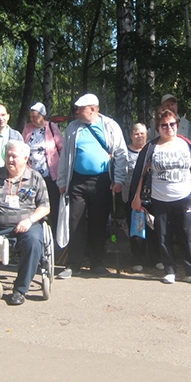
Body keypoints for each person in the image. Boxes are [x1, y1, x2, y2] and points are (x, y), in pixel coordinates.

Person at [131, 109, 191, 285]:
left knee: (187, 235)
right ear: (158, 127)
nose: (168, 128)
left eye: (172, 124)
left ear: (177, 125)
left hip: (184, 198)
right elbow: (141, 174)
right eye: (164, 125)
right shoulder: (152, 147)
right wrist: (137, 197)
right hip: (160, 199)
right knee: (163, 236)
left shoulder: (186, 145)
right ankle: (169, 270)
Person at [56, 93, 128, 278]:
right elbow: (65, 157)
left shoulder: (110, 126)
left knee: (99, 222)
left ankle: (97, 263)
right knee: (75, 222)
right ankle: (73, 264)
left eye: (81, 109)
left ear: (93, 109)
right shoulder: (73, 128)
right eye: (77, 109)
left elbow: (121, 153)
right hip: (77, 180)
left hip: (102, 181)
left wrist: (119, 179)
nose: (77, 112)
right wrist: (62, 181)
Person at [0, 140, 50, 305]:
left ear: (25, 157)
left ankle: (20, 290)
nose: (9, 160)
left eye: (13, 156)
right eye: (7, 155)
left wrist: (29, 221)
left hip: (27, 226)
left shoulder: (35, 178)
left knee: (34, 242)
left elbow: (45, 207)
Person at [122, 123, 159, 272]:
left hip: (151, 195)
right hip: (130, 196)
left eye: (142, 133)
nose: (139, 136)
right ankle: (138, 259)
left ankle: (156, 258)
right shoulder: (124, 152)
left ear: (147, 136)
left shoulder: (152, 151)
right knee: (136, 227)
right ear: (131, 135)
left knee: (154, 227)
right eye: (136, 133)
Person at [22, 102, 63, 231]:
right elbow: (22, 147)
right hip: (32, 175)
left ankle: (57, 234)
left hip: (51, 174)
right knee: (34, 204)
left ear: (43, 115)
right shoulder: (27, 128)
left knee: (53, 204)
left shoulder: (51, 127)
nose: (32, 119)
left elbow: (62, 148)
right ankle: (37, 231)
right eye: (31, 117)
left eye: (35, 116)